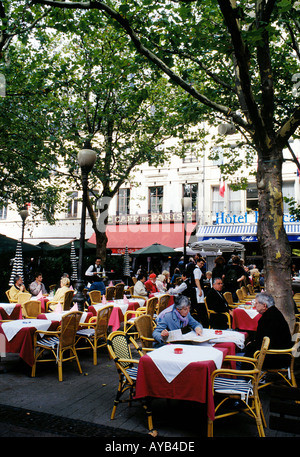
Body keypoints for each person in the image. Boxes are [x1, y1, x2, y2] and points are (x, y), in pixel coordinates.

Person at [243, 293, 292, 369]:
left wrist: (250, 344)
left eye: (256, 303)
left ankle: (246, 378)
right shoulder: (275, 312)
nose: (255, 305)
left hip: (275, 358)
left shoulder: (266, 319)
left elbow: (262, 343)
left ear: (264, 306)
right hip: (284, 353)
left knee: (243, 357)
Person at [190, 257, 208, 326]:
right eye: (201, 263)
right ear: (197, 263)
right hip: (197, 290)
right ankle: (203, 324)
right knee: (200, 308)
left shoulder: (197, 270)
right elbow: (196, 280)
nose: (202, 265)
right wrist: (200, 290)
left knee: (200, 308)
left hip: (197, 289)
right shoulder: (197, 270)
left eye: (203, 264)